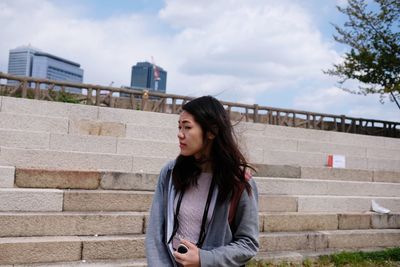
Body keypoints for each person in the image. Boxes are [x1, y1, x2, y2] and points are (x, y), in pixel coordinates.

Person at [145, 96, 259, 267]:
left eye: (187, 127)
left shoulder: (239, 182)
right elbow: (155, 234)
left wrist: (204, 259)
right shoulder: (170, 173)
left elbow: (248, 243)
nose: (180, 134)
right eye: (179, 126)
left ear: (212, 131)